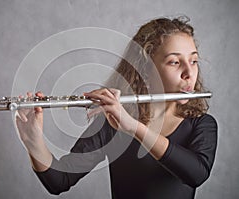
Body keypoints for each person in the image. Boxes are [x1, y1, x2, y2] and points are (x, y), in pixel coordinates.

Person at [15, 16, 218, 199]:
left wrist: (134, 128)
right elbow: (59, 181)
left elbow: (196, 174)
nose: (189, 73)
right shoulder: (112, 121)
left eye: (193, 61)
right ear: (146, 67)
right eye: (174, 62)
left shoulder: (201, 124)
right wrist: (33, 141)